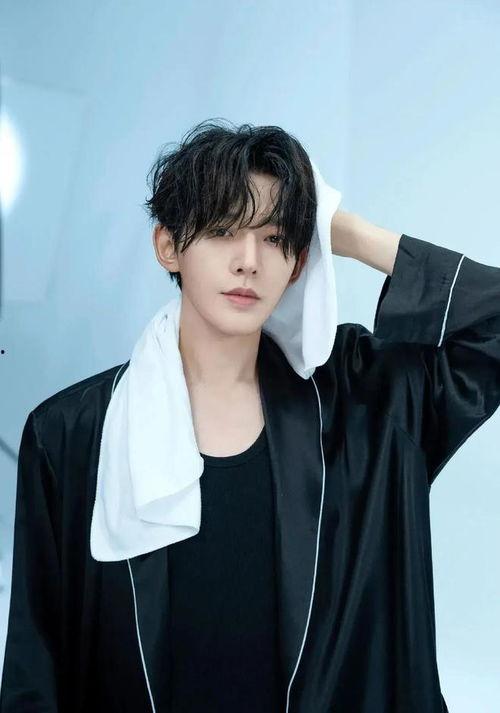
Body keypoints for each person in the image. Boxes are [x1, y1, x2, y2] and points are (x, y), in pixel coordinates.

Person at [1, 119, 499, 712]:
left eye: (274, 237)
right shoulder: (70, 433)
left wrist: (346, 231)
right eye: (222, 230)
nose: (248, 262)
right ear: (168, 246)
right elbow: (35, 671)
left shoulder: (359, 399)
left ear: (299, 261)